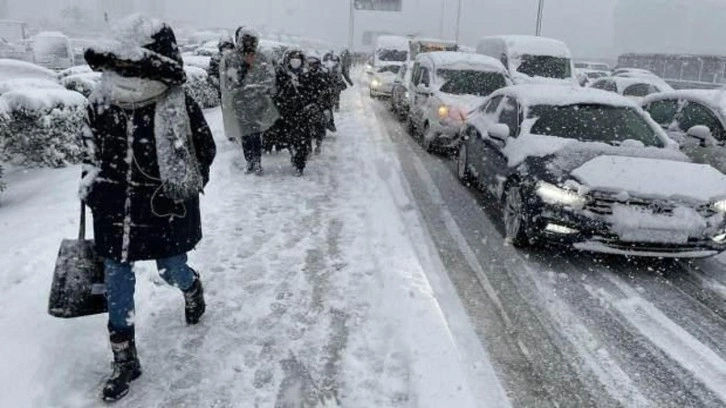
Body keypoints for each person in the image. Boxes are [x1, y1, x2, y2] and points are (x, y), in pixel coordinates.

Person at [80, 15, 216, 402]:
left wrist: (183, 185)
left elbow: (204, 150)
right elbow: (89, 153)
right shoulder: (101, 100)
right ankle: (124, 359)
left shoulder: (176, 101)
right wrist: (91, 185)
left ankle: (191, 287)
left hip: (162, 208)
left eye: (130, 62)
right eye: (119, 63)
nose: (123, 70)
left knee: (171, 268)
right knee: (117, 278)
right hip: (113, 209)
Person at [220, 27, 279, 175]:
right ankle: (249, 161)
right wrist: (244, 68)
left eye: (250, 40)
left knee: (255, 133)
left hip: (258, 102)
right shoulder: (232, 58)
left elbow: (269, 78)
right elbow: (230, 81)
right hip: (240, 102)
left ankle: (257, 162)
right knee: (245, 134)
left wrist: (258, 89)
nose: (248, 44)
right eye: (245, 40)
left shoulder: (262, 58)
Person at [274, 49, 321, 175]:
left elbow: (313, 93)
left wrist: (310, 105)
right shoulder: (282, 74)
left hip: (303, 114)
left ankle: (300, 164)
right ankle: (294, 156)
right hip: (287, 114)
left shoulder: (307, 75)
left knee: (302, 141)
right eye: (292, 58)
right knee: (290, 140)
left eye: (297, 58)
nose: (295, 61)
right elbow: (277, 93)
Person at [306, 53, 334, 154]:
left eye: (314, 64)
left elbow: (327, 91)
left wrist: (324, 105)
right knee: (305, 128)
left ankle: (318, 144)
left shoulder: (323, 75)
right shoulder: (304, 75)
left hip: (320, 106)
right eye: (310, 64)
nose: (311, 66)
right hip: (308, 105)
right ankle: (308, 148)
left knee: (320, 127)